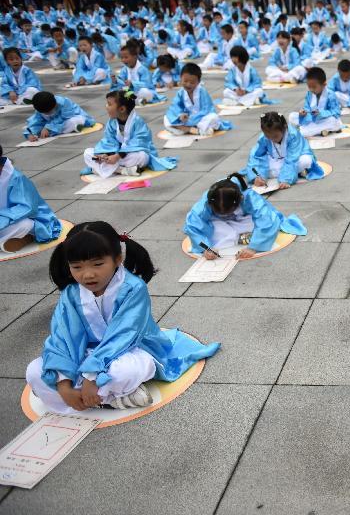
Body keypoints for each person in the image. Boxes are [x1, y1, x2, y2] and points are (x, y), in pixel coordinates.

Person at [25, 221, 220, 414]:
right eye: (77, 267)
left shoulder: (134, 288)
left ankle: (101, 396)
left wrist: (91, 376)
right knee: (34, 372)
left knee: (124, 371)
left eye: (98, 264)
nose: (88, 274)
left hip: (128, 348)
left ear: (117, 259)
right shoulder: (71, 293)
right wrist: (63, 382)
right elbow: (63, 337)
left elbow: (124, 334)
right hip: (86, 352)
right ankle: (110, 398)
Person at [184, 173, 307, 259]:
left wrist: (254, 247)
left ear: (240, 199)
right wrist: (206, 248)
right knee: (211, 229)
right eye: (221, 212)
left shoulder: (248, 197)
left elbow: (266, 219)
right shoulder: (206, 202)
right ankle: (242, 237)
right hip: (218, 222)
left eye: (228, 211)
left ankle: (249, 238)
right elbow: (193, 226)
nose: (226, 215)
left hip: (244, 219)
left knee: (265, 224)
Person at [82, 90, 178, 179]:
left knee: (142, 157)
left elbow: (140, 142)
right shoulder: (112, 122)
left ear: (122, 109)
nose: (106, 106)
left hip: (127, 155)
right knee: (88, 153)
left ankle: (99, 169)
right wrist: (104, 154)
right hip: (115, 156)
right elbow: (108, 141)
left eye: (109, 104)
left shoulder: (137, 122)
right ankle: (122, 170)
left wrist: (117, 156)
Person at [0, 143, 61, 253]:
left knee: (23, 225)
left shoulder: (16, 178)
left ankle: (29, 236)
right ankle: (16, 239)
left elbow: (27, 208)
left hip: (18, 219)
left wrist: (2, 219)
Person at [243, 111, 324, 188]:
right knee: (259, 165)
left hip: (295, 158)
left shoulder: (293, 135)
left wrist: (286, 179)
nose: (271, 139)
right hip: (277, 160)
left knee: (306, 160)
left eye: (275, 136)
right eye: (268, 136)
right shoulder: (264, 138)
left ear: (284, 128)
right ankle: (296, 172)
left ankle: (288, 173)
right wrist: (257, 176)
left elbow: (292, 159)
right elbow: (256, 156)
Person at [164, 63, 230, 137]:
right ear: (180, 78)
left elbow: (206, 110)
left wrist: (191, 119)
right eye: (185, 81)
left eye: (192, 82)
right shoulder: (181, 93)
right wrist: (180, 115)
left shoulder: (202, 92)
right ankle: (191, 129)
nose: (188, 84)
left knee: (214, 117)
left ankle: (186, 129)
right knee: (167, 117)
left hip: (200, 119)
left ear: (198, 82)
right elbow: (175, 107)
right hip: (186, 119)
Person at [288, 66, 343, 137]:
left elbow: (336, 112)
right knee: (292, 116)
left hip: (325, 119)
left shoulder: (330, 95)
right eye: (309, 86)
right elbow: (307, 108)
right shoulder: (309, 94)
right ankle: (322, 130)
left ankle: (302, 131)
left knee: (333, 120)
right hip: (312, 120)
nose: (311, 89)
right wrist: (303, 114)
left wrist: (321, 113)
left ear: (324, 85)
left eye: (314, 87)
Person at [23, 92, 94, 141]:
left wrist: (48, 127)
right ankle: (66, 130)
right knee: (35, 127)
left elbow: (65, 117)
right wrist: (29, 134)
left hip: (70, 118)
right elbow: (36, 121)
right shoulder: (40, 108)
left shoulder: (64, 102)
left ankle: (52, 132)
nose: (47, 114)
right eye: (45, 113)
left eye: (49, 112)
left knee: (75, 121)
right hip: (52, 124)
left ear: (55, 104)